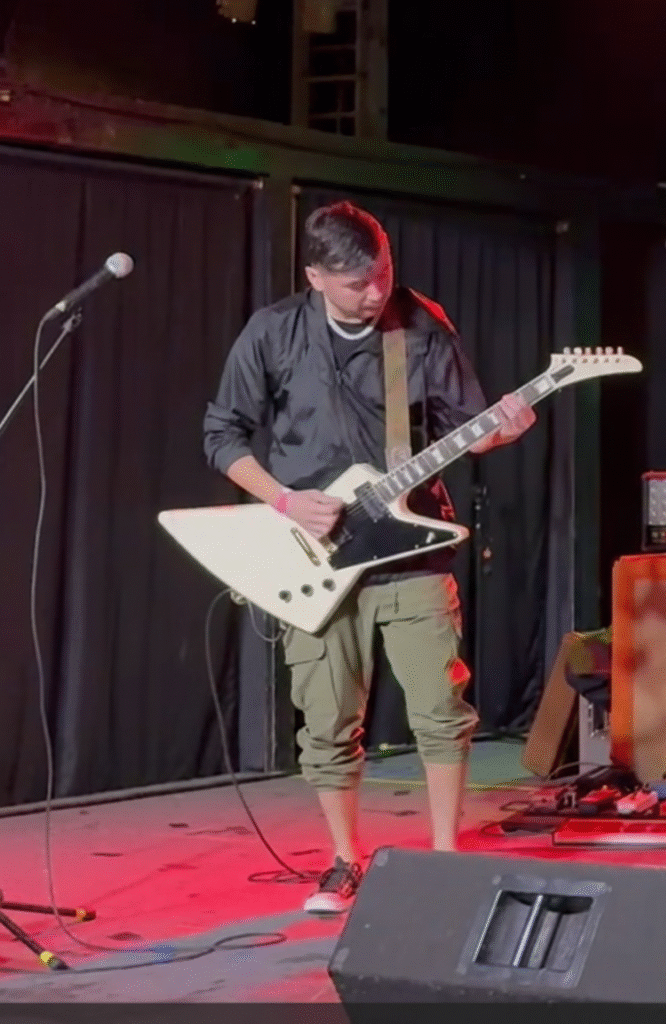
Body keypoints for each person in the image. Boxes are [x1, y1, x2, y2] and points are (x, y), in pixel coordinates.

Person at [203, 201, 536, 914]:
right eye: (358, 282)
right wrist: (284, 500)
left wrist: (503, 429)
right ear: (316, 277)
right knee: (326, 720)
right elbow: (221, 435)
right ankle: (342, 860)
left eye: (383, 272)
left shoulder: (419, 323)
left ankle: (445, 858)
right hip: (315, 554)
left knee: (440, 707)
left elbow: (468, 429)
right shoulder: (274, 332)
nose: (376, 291)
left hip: (412, 550)